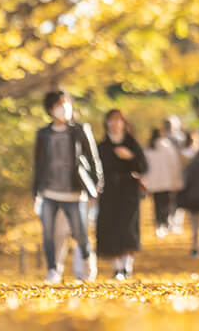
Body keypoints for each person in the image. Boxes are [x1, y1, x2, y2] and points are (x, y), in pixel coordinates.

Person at [32, 90, 101, 283]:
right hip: (49, 192)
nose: (64, 108)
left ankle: (87, 265)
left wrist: (96, 186)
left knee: (80, 234)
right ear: (50, 109)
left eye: (66, 103)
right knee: (49, 234)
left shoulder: (79, 130)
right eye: (59, 104)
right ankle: (53, 269)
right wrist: (35, 190)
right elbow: (38, 165)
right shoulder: (43, 134)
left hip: (74, 192)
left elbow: (93, 159)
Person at [96, 109, 148, 279]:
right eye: (111, 120)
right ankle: (117, 268)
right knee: (111, 228)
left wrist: (130, 157)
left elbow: (143, 167)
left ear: (124, 124)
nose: (114, 124)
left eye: (118, 120)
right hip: (109, 192)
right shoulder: (102, 146)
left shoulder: (132, 143)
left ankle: (127, 266)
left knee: (128, 228)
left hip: (129, 192)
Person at [144, 127, 184, 237]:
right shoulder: (169, 147)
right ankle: (166, 224)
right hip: (167, 181)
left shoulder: (149, 149)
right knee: (167, 203)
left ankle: (159, 224)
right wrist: (177, 179)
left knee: (157, 204)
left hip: (154, 182)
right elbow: (175, 165)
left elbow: (145, 167)